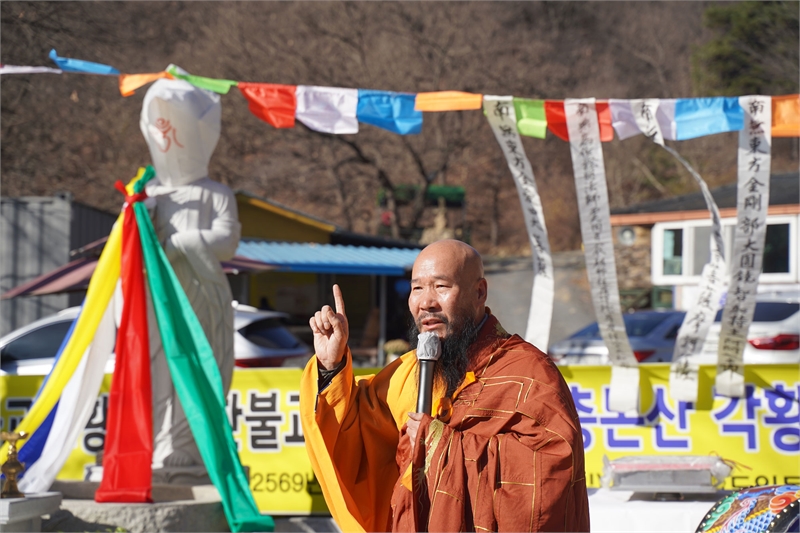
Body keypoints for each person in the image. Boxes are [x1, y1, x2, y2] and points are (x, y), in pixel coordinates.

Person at [300, 239, 589, 532]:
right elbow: (355, 437)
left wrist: (439, 443)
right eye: (417, 288)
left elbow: (549, 472)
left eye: (441, 286)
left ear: (479, 292)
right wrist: (331, 364)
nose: (426, 302)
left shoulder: (527, 373)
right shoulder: (408, 371)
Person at [140, 77, 241, 469]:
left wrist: (181, 242)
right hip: (158, 294)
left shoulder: (215, 193)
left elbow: (226, 241)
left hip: (201, 292)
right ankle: (152, 439)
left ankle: (188, 441)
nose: (168, 136)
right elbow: (133, 245)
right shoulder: (147, 194)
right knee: (156, 365)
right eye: (161, 127)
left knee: (199, 361)